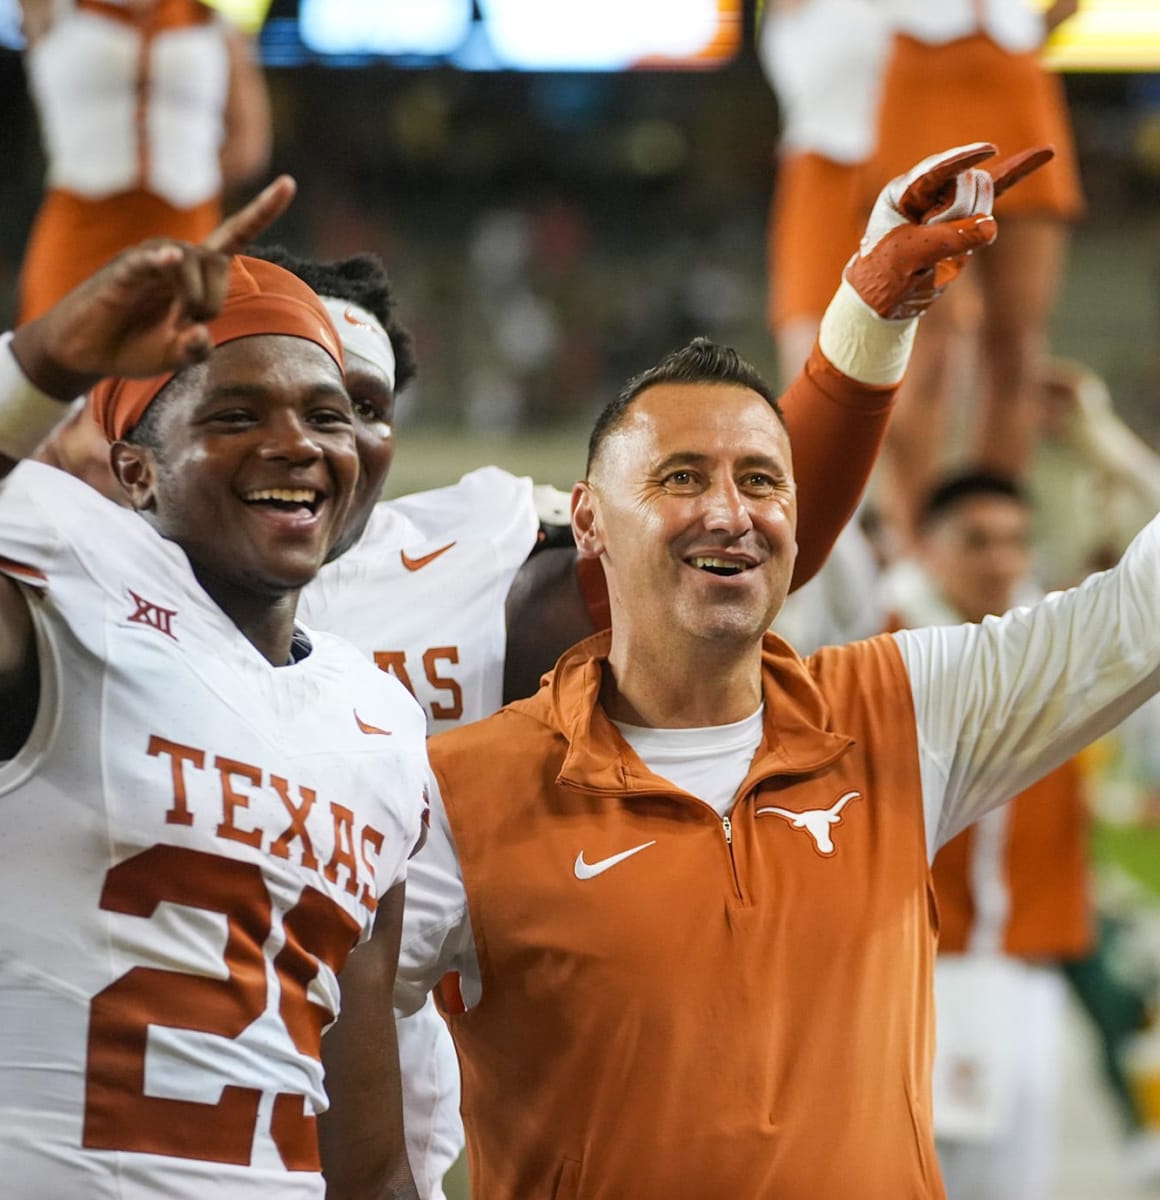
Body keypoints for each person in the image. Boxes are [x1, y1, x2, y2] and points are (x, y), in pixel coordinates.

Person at [268, 142, 1030, 1199]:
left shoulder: (476, 540)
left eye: (362, 400)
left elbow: (720, 559)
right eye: (279, 397)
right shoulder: (105, 581)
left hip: (405, 1106)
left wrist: (863, 324)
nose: (325, 437)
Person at [0, 182, 426, 1198]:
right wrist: (45, 362)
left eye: (327, 414)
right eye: (236, 413)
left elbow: (370, 1160)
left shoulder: (380, 724)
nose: (298, 443)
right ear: (135, 474)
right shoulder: (50, 613)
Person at [884, 471, 1093, 1200]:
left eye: (1013, 541)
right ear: (928, 551)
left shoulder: (1060, 648)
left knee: (1018, 1183)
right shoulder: (881, 649)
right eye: (976, 541)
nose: (1000, 560)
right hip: (913, 968)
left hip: (1029, 966)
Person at [867, 0, 1084, 552]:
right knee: (930, 352)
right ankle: (918, 550)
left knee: (1018, 349)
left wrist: (1028, 28)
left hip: (1017, 80)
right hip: (923, 79)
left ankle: (997, 537)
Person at [16, 0, 272, 322]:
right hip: (81, 233)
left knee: (186, 363)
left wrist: (192, 175)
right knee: (52, 357)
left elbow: (248, 148)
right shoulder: (50, 7)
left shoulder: (218, 16)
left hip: (187, 233)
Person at [760, 0, 891, 387]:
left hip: (907, 166)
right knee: (812, 349)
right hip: (822, 168)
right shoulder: (806, 12)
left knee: (926, 347)